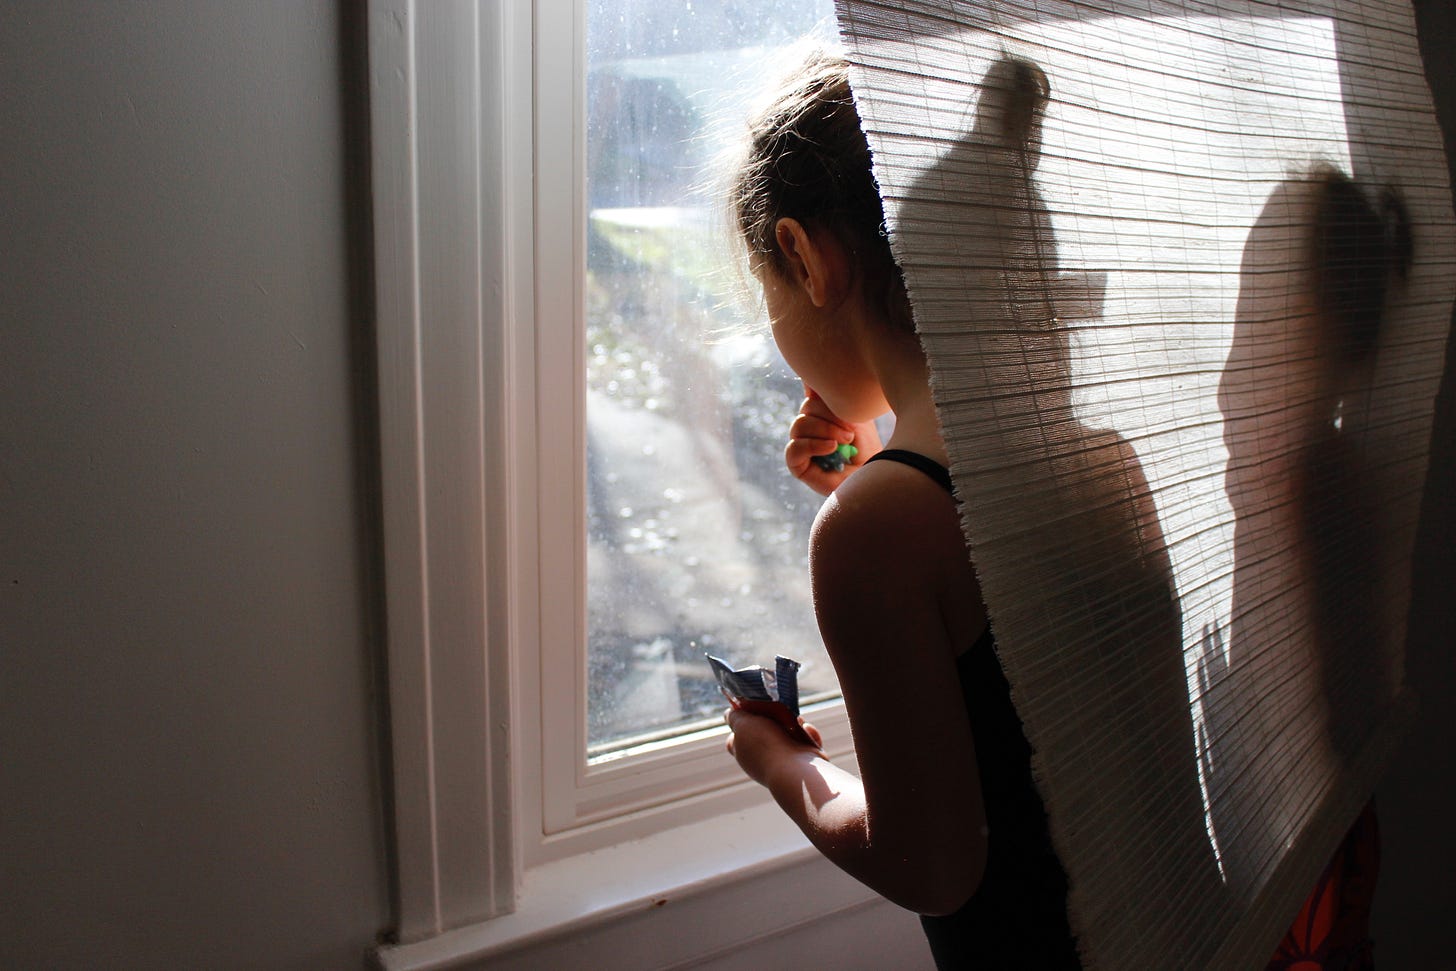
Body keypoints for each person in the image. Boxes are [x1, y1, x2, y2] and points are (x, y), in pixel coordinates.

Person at [720, 49, 1080, 968]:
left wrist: (780, 761)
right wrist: (880, 467)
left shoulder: (874, 535)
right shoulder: (1097, 455)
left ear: (803, 257)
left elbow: (932, 867)